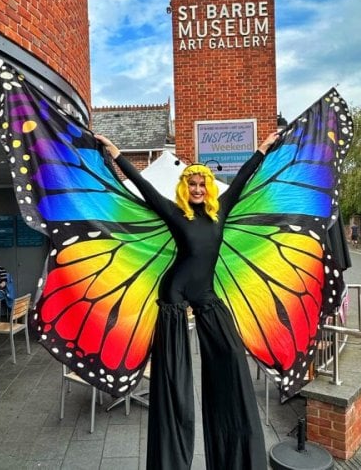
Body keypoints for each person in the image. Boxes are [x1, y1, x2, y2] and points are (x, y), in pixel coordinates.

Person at [95, 131, 280, 470]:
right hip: (174, 295)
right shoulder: (175, 213)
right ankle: (172, 462)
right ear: (184, 187)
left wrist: (263, 149)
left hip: (205, 294)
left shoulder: (221, 210)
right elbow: (144, 188)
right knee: (175, 381)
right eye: (192, 184)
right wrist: (117, 153)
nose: (197, 189)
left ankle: (235, 456)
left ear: (208, 187)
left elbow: (243, 176)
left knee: (231, 355)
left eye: (201, 184)